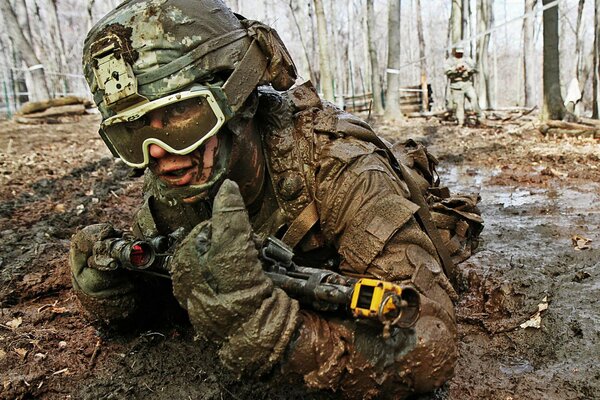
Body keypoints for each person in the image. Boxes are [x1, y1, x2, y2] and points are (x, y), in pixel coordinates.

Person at [71, 1, 482, 398]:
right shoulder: (177, 178)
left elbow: (430, 345)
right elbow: (159, 309)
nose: (156, 151)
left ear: (239, 99)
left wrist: (283, 335)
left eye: (180, 115)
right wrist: (110, 294)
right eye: (134, 129)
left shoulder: (337, 165)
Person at [444, 46, 482, 126]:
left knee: (474, 99)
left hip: (467, 84)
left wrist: (468, 70)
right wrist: (456, 69)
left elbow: (476, 68)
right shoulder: (450, 61)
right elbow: (446, 71)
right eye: (458, 52)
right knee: (459, 105)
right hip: (456, 86)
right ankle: (460, 122)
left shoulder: (467, 60)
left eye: (461, 52)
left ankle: (480, 117)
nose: (459, 54)